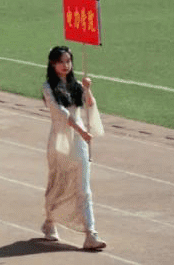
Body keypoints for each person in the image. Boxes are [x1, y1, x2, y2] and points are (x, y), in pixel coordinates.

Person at [41, 45, 106, 250]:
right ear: (52, 64)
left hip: (79, 142)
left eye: (68, 61)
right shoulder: (48, 87)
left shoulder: (76, 84)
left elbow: (89, 105)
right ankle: (50, 221)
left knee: (84, 188)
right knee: (58, 183)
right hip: (60, 141)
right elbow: (61, 114)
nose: (66, 65)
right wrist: (82, 131)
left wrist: (87, 88)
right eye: (61, 61)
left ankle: (90, 233)